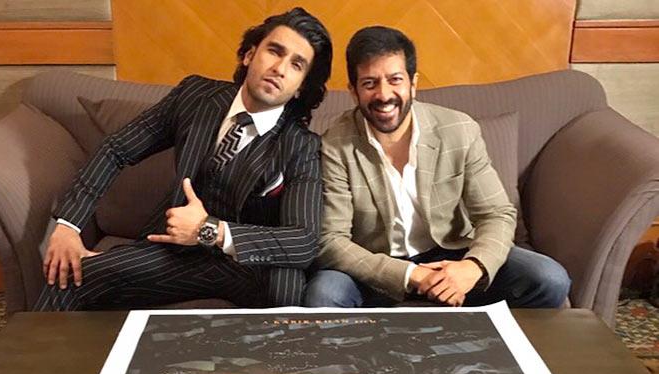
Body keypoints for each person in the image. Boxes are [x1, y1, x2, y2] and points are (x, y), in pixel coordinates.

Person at [36, 7, 332, 310]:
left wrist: (210, 230)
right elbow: (117, 148)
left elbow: (303, 241)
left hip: (245, 266)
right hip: (173, 251)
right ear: (249, 55)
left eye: (296, 65)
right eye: (274, 51)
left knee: (286, 283)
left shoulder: (301, 146)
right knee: (69, 274)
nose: (280, 68)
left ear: (301, 87)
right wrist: (69, 225)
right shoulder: (195, 96)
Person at [304, 26, 570, 308]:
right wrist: (412, 275)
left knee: (549, 278)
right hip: (376, 267)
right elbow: (331, 240)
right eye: (370, 83)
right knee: (324, 295)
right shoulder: (335, 145)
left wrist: (472, 268)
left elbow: (496, 214)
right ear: (354, 92)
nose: (384, 94)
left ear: (413, 83)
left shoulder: (459, 130)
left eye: (395, 80)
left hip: (450, 255)